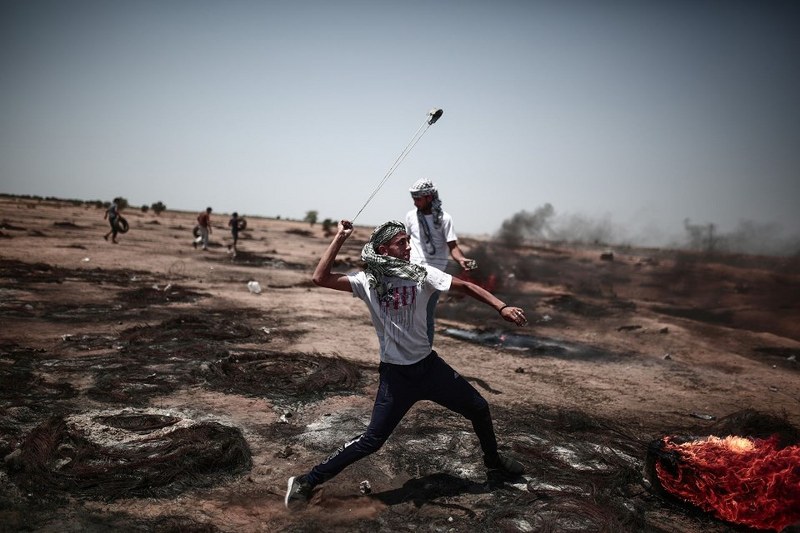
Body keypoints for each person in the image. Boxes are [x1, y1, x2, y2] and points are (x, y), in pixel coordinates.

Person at [285, 219, 527, 508]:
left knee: (478, 407)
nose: (409, 246)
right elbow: (319, 278)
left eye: (408, 241)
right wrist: (339, 237)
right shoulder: (367, 282)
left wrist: (501, 306)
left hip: (430, 368)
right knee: (372, 441)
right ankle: (306, 481)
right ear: (384, 249)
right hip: (397, 378)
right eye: (402, 243)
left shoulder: (421, 274)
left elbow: (464, 286)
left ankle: (493, 462)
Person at [405, 178, 475, 343]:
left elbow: (453, 246)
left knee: (427, 315)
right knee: (408, 312)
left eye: (418, 199)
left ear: (429, 197)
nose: (415, 203)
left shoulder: (445, 219)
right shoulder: (410, 216)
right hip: (413, 270)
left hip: (435, 273)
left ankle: (425, 352)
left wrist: (461, 260)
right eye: (413, 198)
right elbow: (405, 242)